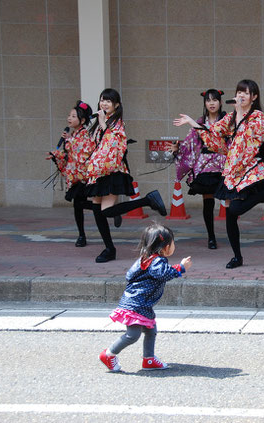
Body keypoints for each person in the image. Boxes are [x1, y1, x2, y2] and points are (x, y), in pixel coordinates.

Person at [173, 79, 264, 269]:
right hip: (232, 170)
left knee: (234, 210)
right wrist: (193, 122)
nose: (240, 95)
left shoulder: (257, 116)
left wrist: (240, 112)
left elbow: (249, 140)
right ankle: (237, 257)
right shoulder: (231, 117)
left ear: (254, 97)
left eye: (245, 93)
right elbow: (214, 132)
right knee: (230, 215)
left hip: (250, 169)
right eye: (239, 92)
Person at [85, 88, 167, 263]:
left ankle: (148, 200)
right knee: (96, 209)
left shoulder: (117, 123)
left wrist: (102, 124)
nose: (104, 103)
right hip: (98, 172)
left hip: (113, 171)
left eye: (108, 101)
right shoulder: (101, 122)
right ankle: (109, 248)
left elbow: (114, 143)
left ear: (116, 105)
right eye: (102, 100)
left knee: (105, 211)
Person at [99, 223, 191, 372]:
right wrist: (180, 267)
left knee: (150, 329)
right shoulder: (157, 261)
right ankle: (108, 354)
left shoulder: (147, 258)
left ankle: (149, 359)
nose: (174, 246)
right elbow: (163, 274)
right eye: (173, 243)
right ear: (164, 247)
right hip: (137, 304)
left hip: (140, 303)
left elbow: (134, 274)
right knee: (133, 335)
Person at [170, 89, 227, 250]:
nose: (211, 103)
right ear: (205, 103)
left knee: (229, 200)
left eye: (215, 100)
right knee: (207, 200)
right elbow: (190, 142)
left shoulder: (227, 120)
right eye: (208, 100)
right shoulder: (200, 121)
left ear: (220, 102)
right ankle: (211, 237)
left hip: (223, 163)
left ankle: (231, 232)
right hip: (205, 165)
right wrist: (178, 148)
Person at [46, 100, 96, 247]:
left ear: (82, 120)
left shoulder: (85, 134)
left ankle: (106, 210)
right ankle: (81, 235)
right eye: (69, 115)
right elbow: (69, 155)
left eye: (73, 116)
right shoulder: (73, 135)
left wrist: (70, 142)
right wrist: (55, 155)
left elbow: (83, 153)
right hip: (75, 176)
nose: (69, 118)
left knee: (79, 203)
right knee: (77, 204)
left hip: (83, 176)